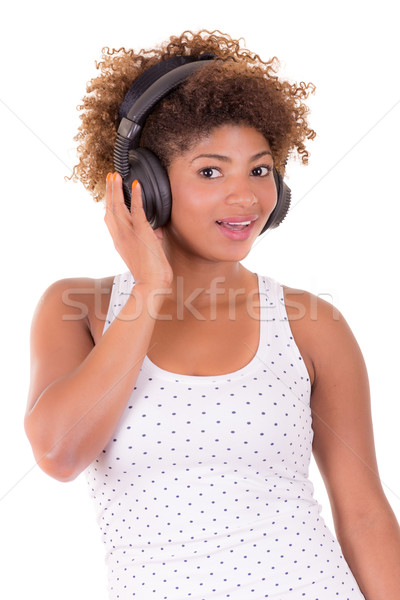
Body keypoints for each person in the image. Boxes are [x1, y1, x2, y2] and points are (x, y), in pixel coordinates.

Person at [24, 30, 400, 600]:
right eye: (209, 172)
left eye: (259, 169)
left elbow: (366, 516)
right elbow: (58, 453)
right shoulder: (79, 309)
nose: (246, 199)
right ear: (146, 185)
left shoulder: (309, 323)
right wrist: (150, 287)